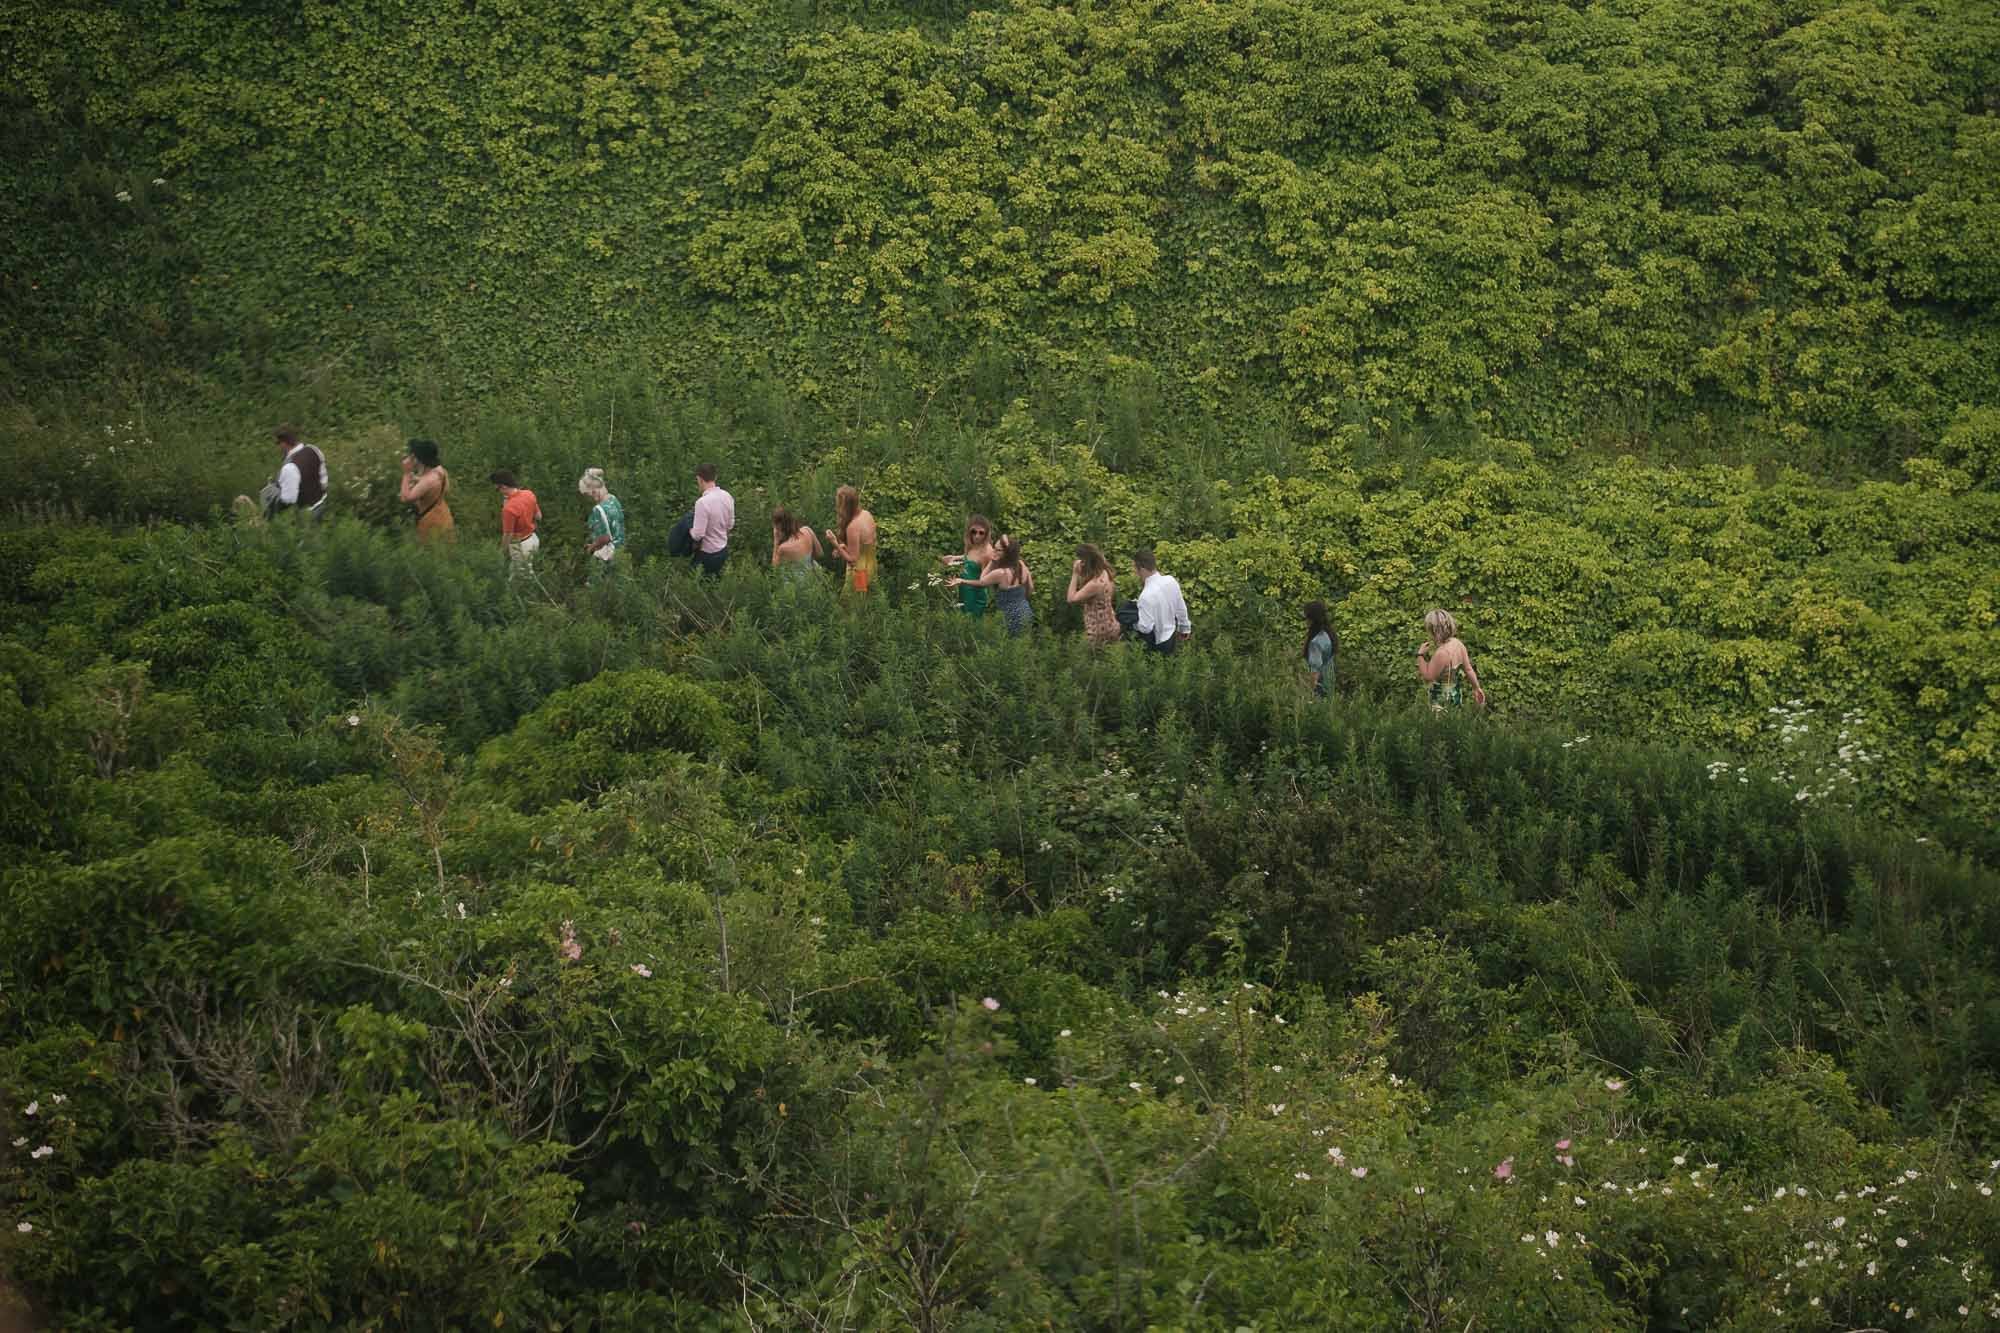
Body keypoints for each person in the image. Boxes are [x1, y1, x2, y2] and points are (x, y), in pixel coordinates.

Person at [949, 533, 1033, 635]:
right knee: (1024, 645)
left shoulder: (1001, 573)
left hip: (1010, 616)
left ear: (1007, 553)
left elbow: (982, 581)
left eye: (998, 550)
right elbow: (1030, 588)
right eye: (994, 548)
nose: (993, 552)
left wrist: (992, 562)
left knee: (1008, 646)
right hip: (1026, 611)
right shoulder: (1020, 564)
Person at [1417, 608, 1486, 709]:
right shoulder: (1458, 644)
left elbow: (1428, 677)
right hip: (1456, 695)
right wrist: (1476, 688)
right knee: (1454, 722)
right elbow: (1468, 669)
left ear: (1433, 630)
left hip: (1440, 700)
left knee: (1440, 724)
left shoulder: (1441, 653)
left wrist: (1420, 655)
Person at [1131, 548, 1191, 653]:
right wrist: (1184, 628)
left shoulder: (1145, 596)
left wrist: (1133, 624)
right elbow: (1181, 608)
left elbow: (1146, 628)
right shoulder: (1171, 580)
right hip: (1172, 636)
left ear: (1142, 569)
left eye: (1135, 568)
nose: (1134, 572)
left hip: (1158, 643)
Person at [264, 427, 328, 521]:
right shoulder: (313, 449)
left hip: (306, 515)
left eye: (277, 443)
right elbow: (323, 480)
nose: (278, 447)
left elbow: (288, 500)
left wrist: (272, 512)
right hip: (321, 504)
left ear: (284, 443)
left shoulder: (290, 467)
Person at [939, 516, 995, 618]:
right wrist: (955, 558)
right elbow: (971, 558)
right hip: (964, 591)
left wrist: (962, 581)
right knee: (961, 622)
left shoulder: (987, 553)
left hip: (975, 596)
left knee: (971, 626)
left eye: (981, 533)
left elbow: (984, 583)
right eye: (974, 532)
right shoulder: (973, 544)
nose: (977, 536)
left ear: (986, 534)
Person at [825, 485, 877, 596]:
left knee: (852, 604)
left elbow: (853, 560)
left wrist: (834, 542)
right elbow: (865, 545)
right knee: (866, 598)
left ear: (844, 506)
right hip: (871, 564)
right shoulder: (867, 514)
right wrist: (844, 547)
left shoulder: (853, 526)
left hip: (859, 571)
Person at [399, 438, 454, 543]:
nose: (410, 457)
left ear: (420, 459)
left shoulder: (427, 481)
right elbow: (446, 488)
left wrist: (406, 473)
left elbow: (405, 498)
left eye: (413, 455)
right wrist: (417, 480)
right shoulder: (440, 471)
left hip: (431, 523)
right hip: (443, 516)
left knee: (432, 553)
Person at [1067, 543, 1120, 646]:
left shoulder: (1095, 584)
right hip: (1111, 625)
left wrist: (1075, 574)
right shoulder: (1105, 573)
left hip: (1097, 632)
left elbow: (1071, 598)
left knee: (1095, 661)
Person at [689, 463, 735, 577]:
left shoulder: (702, 503)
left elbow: (698, 535)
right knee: (716, 583)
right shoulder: (727, 496)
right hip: (723, 551)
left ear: (699, 479)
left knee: (697, 581)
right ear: (715, 477)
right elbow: (730, 525)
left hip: (707, 554)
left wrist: (690, 530)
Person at [579, 467, 625, 579]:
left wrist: (592, 547)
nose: (589, 497)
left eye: (588, 494)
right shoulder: (613, 499)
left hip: (607, 556)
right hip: (621, 550)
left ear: (593, 491)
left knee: (599, 584)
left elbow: (605, 538)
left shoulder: (598, 509)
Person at [492, 470, 541, 569]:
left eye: (498, 489)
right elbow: (539, 516)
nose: (499, 492)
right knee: (518, 572)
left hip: (520, 546)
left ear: (504, 486)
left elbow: (508, 534)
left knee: (521, 578)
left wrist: (501, 552)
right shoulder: (529, 493)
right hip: (533, 540)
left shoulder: (509, 509)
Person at [770, 506, 823, 579]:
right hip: (813, 578)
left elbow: (774, 569)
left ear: (778, 527)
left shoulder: (783, 548)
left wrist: (776, 541)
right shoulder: (807, 530)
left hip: (796, 585)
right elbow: (819, 553)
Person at [1303, 600, 1337, 697]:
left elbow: (1315, 673)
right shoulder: (1327, 634)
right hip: (1330, 685)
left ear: (1312, 619)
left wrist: (1308, 695)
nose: (1305, 621)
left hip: (1320, 691)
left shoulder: (1315, 643)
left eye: (1306, 617)